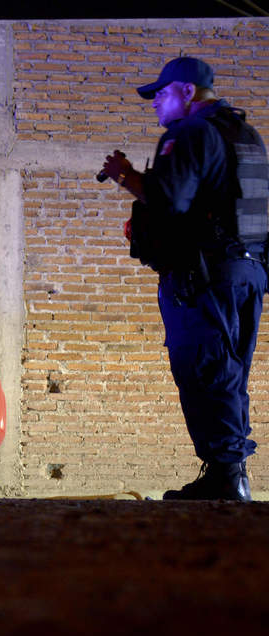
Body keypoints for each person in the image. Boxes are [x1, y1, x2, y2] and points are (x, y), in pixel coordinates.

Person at [102, 56, 269, 500]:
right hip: (247, 272)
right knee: (228, 373)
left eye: (161, 93)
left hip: (205, 276)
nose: (155, 102)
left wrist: (126, 176)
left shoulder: (190, 132)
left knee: (204, 368)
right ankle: (229, 473)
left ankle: (227, 478)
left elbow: (169, 199)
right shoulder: (246, 135)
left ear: (188, 92)